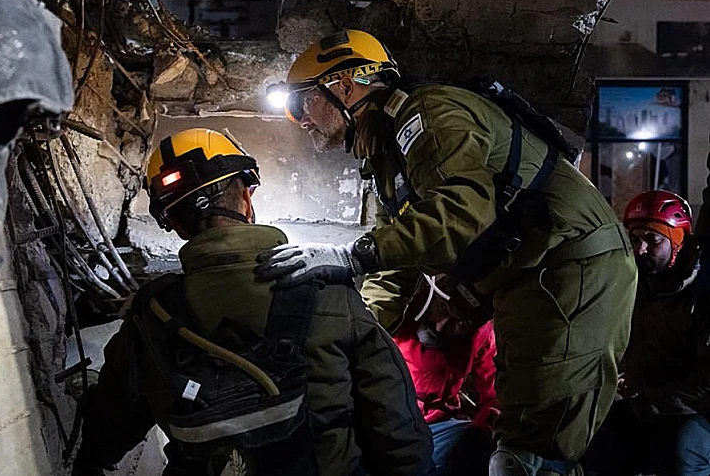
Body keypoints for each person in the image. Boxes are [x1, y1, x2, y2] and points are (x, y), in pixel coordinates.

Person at [255, 29, 638, 475]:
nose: (300, 119)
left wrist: (351, 255)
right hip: (530, 275)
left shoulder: (429, 115)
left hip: (571, 266)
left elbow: (459, 214)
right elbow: (399, 264)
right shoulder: (387, 153)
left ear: (343, 85)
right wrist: (354, 328)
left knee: (536, 445)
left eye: (302, 103)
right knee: (521, 438)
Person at [74, 128, 435, 476]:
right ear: (246, 197)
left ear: (177, 226)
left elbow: (106, 434)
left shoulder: (151, 318)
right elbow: (396, 425)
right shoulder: (326, 289)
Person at [584, 190, 710, 476]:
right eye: (634, 239)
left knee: (681, 450)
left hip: (695, 411)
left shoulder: (701, 294)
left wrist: (652, 401)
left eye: (652, 240)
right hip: (645, 403)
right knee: (595, 445)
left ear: (678, 241)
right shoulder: (632, 286)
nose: (640, 249)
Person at [391, 273, 499, 475]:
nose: (440, 326)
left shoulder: (480, 335)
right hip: (393, 423)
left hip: (439, 426)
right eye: (443, 309)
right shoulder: (399, 313)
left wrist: (484, 427)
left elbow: (493, 394)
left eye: (458, 322)